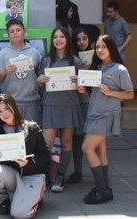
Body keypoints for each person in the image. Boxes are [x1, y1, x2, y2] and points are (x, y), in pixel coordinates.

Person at [78, 35, 134, 204]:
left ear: (111, 48)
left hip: (107, 115)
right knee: (100, 150)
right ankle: (104, 187)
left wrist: (111, 92)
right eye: (98, 47)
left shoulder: (119, 70)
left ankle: (102, 189)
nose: (100, 50)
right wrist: (82, 89)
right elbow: (92, 91)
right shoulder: (95, 68)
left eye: (104, 47)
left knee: (87, 148)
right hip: (93, 113)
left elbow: (130, 94)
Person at [0, 94, 50, 218]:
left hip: (33, 176)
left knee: (19, 214)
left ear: (14, 106)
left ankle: (35, 198)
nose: (4, 114)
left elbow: (45, 155)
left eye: (7, 108)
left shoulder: (31, 127)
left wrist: (28, 162)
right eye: (0, 111)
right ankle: (3, 201)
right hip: (13, 176)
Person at [35, 26, 82, 192]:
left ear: (67, 40)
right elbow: (39, 83)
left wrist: (79, 82)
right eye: (56, 37)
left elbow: (82, 88)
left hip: (69, 105)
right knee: (46, 144)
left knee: (67, 142)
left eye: (62, 36)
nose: (59, 40)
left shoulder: (75, 61)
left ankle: (61, 176)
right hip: (50, 104)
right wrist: (39, 80)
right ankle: (47, 175)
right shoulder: (46, 60)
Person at [0, 19, 43, 123]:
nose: (15, 33)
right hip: (10, 104)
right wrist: (5, 71)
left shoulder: (34, 53)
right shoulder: (3, 54)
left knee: (32, 136)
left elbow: (41, 76)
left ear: (24, 32)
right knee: (13, 136)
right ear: (8, 35)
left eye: (18, 30)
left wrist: (40, 81)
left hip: (32, 102)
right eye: (12, 31)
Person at [69, 26, 95, 184]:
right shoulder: (72, 58)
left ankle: (99, 172)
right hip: (76, 101)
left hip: (92, 102)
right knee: (77, 138)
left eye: (84, 39)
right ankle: (78, 171)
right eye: (78, 39)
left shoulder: (97, 56)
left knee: (94, 139)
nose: (81, 42)